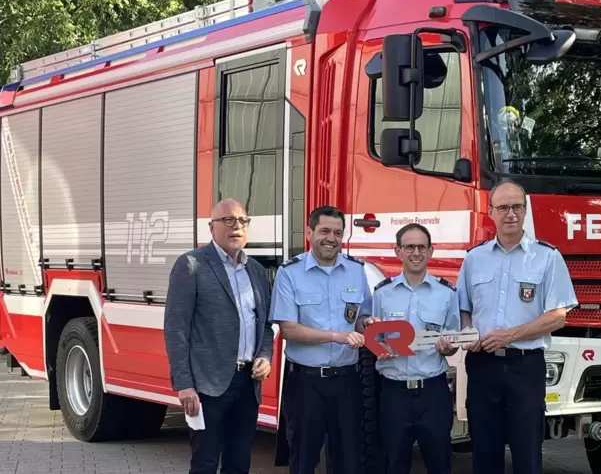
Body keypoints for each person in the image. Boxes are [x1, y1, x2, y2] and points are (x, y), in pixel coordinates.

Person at [457, 180, 578, 474]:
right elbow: (464, 309)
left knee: (527, 454)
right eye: (503, 208)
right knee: (484, 452)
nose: (510, 214)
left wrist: (510, 336)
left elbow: (558, 316)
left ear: (525, 211)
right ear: (491, 212)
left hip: (526, 367)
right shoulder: (474, 258)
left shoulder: (548, 257)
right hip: (483, 366)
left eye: (517, 207)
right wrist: (468, 332)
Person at [164, 199, 275, 474]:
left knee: (239, 463)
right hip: (207, 386)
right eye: (228, 220)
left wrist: (265, 355)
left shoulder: (257, 272)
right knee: (205, 462)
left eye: (242, 221)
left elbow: (266, 326)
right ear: (211, 228)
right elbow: (176, 328)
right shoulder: (191, 265)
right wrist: (185, 385)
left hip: (247, 384)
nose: (236, 226)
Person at [269, 205, 373, 474]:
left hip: (347, 381)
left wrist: (367, 324)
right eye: (324, 231)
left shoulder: (356, 270)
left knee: (349, 460)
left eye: (337, 232)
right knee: (303, 459)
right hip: (306, 383)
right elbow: (289, 329)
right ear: (309, 232)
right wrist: (338, 336)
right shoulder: (289, 273)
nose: (331, 238)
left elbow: (362, 317)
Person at [364, 223, 460, 474]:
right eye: (409, 247)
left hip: (433, 392)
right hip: (394, 394)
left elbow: (453, 343)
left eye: (421, 247)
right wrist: (380, 347)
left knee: (440, 463)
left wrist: (447, 348)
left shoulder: (447, 294)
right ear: (398, 251)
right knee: (393, 465)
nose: (415, 252)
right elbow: (374, 338)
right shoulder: (382, 295)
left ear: (430, 251)